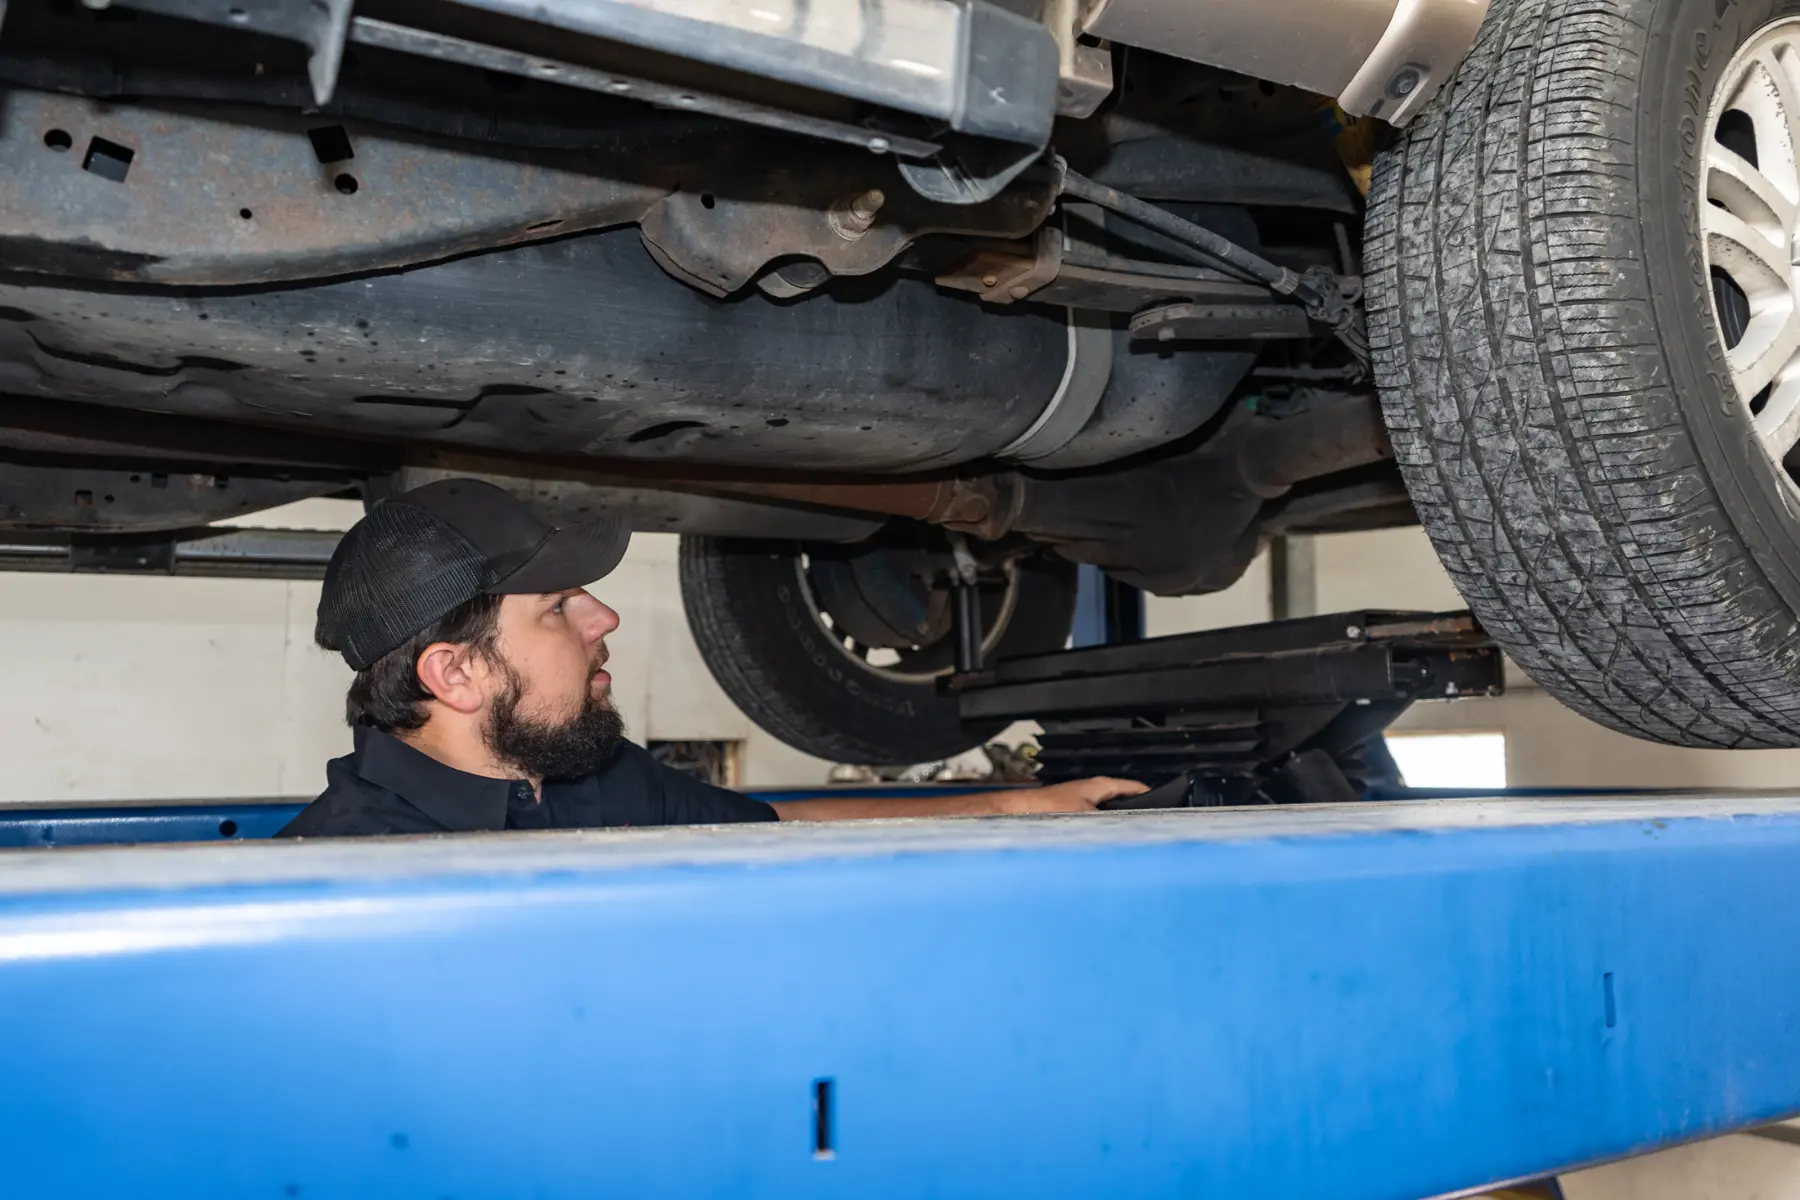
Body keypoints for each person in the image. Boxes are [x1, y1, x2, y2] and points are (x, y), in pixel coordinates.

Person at [279, 479, 1146, 837]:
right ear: (454, 675)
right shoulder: (339, 880)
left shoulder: (587, 774)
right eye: (556, 608)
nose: (604, 615)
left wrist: (1024, 804)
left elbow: (775, 832)